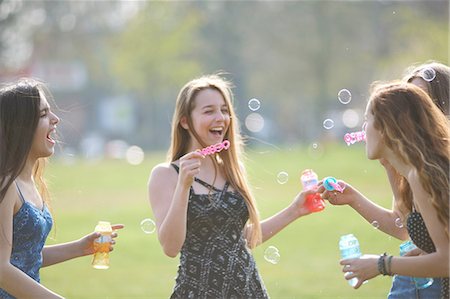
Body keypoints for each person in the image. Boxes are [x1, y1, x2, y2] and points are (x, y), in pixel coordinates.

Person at [147, 74, 315, 298]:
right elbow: (170, 246)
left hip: (249, 290)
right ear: (185, 121)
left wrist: (296, 210)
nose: (221, 118)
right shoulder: (166, 175)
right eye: (209, 111)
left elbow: (239, 238)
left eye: (224, 110)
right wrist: (183, 186)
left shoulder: (232, 171)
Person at [321, 82, 449, 298]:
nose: (363, 129)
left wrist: (381, 264)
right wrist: (353, 197)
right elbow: (408, 228)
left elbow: (446, 261)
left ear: (387, 127)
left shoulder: (422, 176)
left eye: (367, 120)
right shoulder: (419, 173)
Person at [0, 78, 124, 298]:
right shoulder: (6, 184)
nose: (55, 119)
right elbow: (2, 269)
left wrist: (80, 247)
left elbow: (25, 256)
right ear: (19, 127)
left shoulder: (29, 182)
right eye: (43, 114)